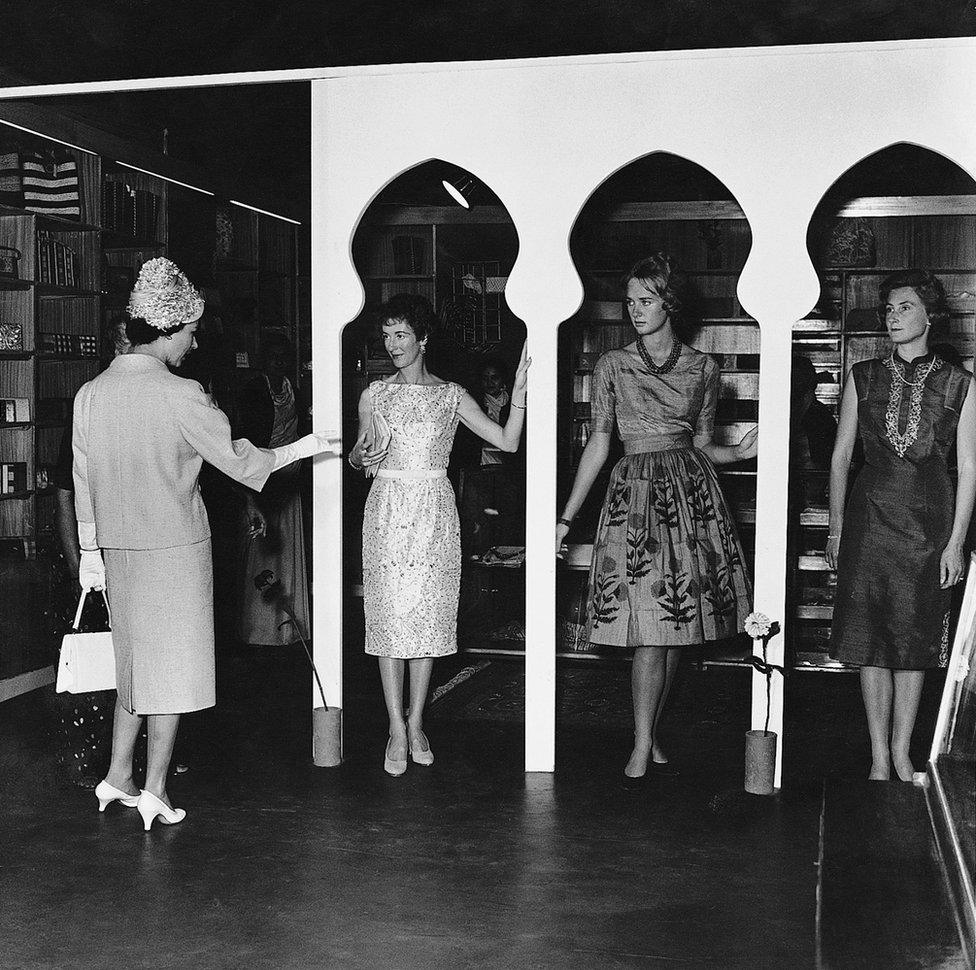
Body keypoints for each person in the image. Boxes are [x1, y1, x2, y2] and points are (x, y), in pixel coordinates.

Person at [72, 258, 333, 829]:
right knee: (172, 672)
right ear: (166, 330)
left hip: (117, 551)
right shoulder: (180, 393)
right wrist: (306, 446)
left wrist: (92, 554)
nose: (193, 344)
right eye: (190, 332)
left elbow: (83, 481)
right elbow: (242, 460)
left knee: (134, 665)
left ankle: (117, 774)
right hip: (174, 551)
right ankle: (156, 790)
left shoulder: (90, 394)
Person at [555, 253, 757, 780]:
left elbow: (705, 445)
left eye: (645, 301)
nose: (634, 310)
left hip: (691, 496)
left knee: (675, 629)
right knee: (649, 628)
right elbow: (599, 444)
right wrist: (566, 517)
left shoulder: (704, 368)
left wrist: (739, 454)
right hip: (634, 497)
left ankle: (650, 733)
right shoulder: (612, 365)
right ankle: (641, 742)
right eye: (630, 302)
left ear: (670, 304)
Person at [348, 294, 530, 775]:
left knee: (427, 620)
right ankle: (394, 727)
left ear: (423, 339)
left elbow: (507, 440)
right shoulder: (374, 394)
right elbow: (357, 455)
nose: (392, 345)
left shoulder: (450, 395)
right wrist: (362, 457)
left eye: (401, 334)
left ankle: (416, 720)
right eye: (387, 335)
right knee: (389, 620)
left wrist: (522, 390)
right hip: (387, 508)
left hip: (433, 510)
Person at [826, 270, 975, 781]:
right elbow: (841, 455)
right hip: (869, 520)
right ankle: (877, 758)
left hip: (928, 522)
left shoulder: (961, 384)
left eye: (905, 307)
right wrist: (835, 527)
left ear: (930, 314)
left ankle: (902, 750)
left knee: (913, 642)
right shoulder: (862, 375)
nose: (893, 317)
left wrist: (956, 542)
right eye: (889, 309)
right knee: (870, 639)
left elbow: (971, 467)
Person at [51, 316, 130, 789]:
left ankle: (131, 760)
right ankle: (96, 761)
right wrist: (79, 563)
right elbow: (66, 493)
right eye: (120, 341)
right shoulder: (91, 402)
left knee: (135, 663)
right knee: (97, 663)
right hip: (95, 557)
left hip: (133, 550)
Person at [235, 332, 310, 645]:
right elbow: (247, 441)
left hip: (290, 478)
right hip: (263, 479)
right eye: (273, 356)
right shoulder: (255, 390)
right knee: (263, 552)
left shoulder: (296, 390)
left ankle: (290, 625)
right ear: (264, 360)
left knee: (288, 552)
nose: (280, 362)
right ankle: (261, 628)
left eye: (284, 356)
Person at [459, 355, 525, 556]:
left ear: (503, 380)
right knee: (480, 526)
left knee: (508, 524)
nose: (490, 382)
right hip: (479, 474)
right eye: (485, 378)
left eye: (494, 377)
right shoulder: (473, 405)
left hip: (508, 475)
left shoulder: (516, 404)